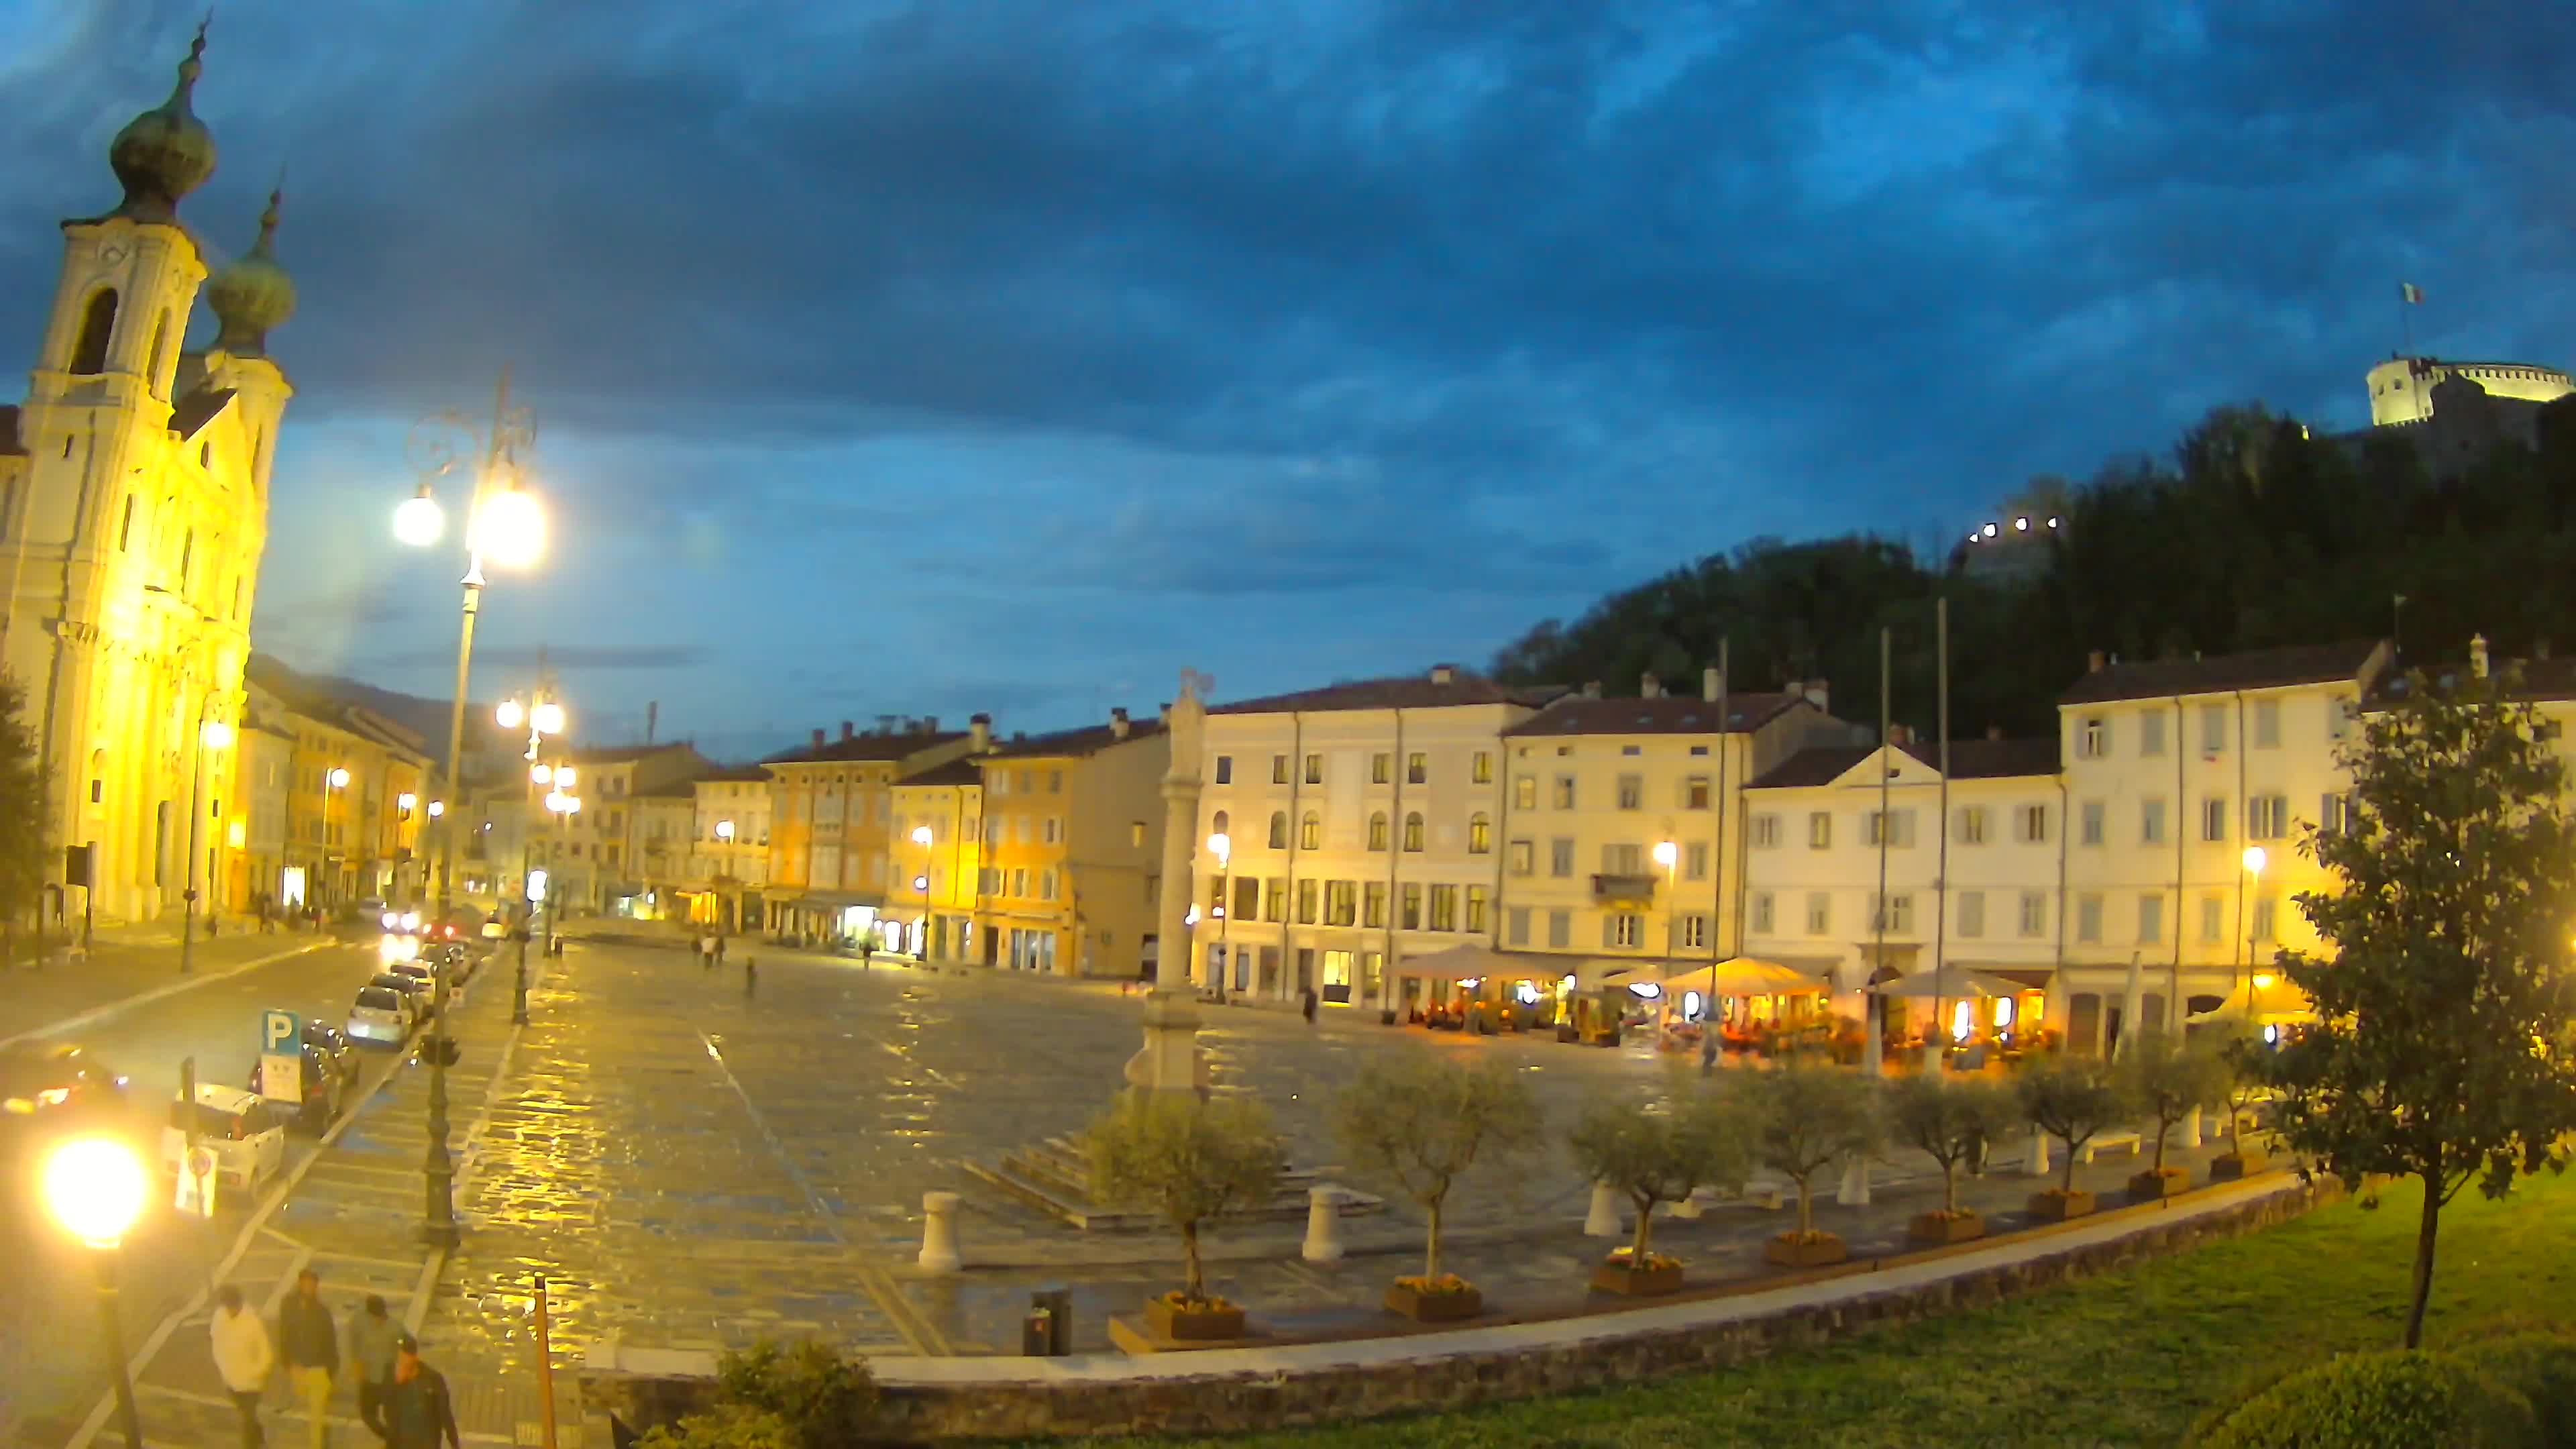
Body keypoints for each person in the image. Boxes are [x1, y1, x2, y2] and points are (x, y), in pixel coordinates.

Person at [277, 1268, 339, 1448]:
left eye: (313, 1284)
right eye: (306, 1282)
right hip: (298, 1366)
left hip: (318, 1368)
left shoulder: (322, 1312)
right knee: (304, 1398)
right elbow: (283, 1333)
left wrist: (332, 1370)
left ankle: (317, 1444)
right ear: (300, 1283)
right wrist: (287, 1361)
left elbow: (330, 1342)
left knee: (317, 1413)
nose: (309, 1287)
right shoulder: (288, 1305)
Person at [211, 1283, 276, 1449]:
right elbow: (216, 1344)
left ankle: (251, 1444)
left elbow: (266, 1353)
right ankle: (259, 1436)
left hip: (251, 1385)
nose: (230, 1309)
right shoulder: (219, 1318)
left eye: (233, 1305)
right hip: (231, 1382)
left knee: (246, 1420)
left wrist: (256, 1372)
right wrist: (223, 1369)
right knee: (247, 1417)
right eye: (227, 1305)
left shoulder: (252, 1323)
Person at [380, 1335, 460, 1449]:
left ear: (414, 1357)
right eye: (399, 1357)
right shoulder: (391, 1375)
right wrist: (396, 1384)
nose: (400, 1362)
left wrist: (454, 1443)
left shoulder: (433, 1379)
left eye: (404, 1357)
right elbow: (388, 1409)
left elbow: (445, 1413)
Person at [349, 1295, 400, 1442]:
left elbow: (406, 1347)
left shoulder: (394, 1327)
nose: (379, 1319)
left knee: (391, 1415)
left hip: (387, 1378)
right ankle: (390, 1437)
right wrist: (356, 1365)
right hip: (368, 1379)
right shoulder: (359, 1322)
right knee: (367, 1415)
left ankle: (393, 1440)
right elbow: (354, 1344)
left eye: (381, 1316)